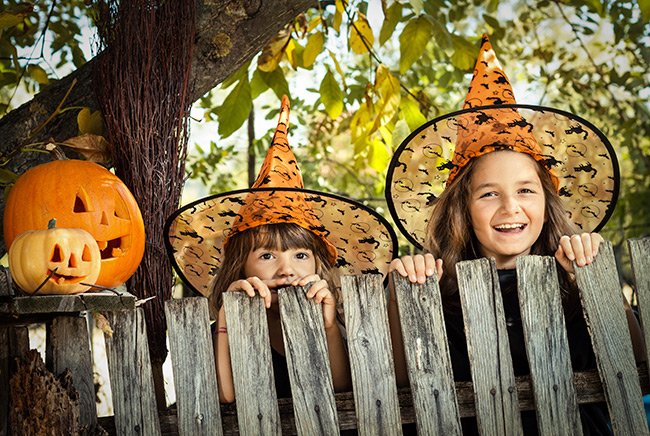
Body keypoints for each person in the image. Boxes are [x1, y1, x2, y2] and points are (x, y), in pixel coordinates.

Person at [384, 34, 645, 434]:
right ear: (462, 208)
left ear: (547, 202)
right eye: (489, 194)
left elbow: (637, 367)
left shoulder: (573, 275)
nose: (510, 208)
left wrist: (596, 281)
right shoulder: (440, 287)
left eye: (526, 190)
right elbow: (400, 390)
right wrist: (406, 298)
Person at [164, 95, 398, 403]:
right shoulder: (222, 328)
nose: (286, 269)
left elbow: (341, 391)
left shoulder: (335, 321)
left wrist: (328, 327)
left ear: (318, 266)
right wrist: (227, 319)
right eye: (266, 255)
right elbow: (227, 397)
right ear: (241, 267)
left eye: (300, 255)